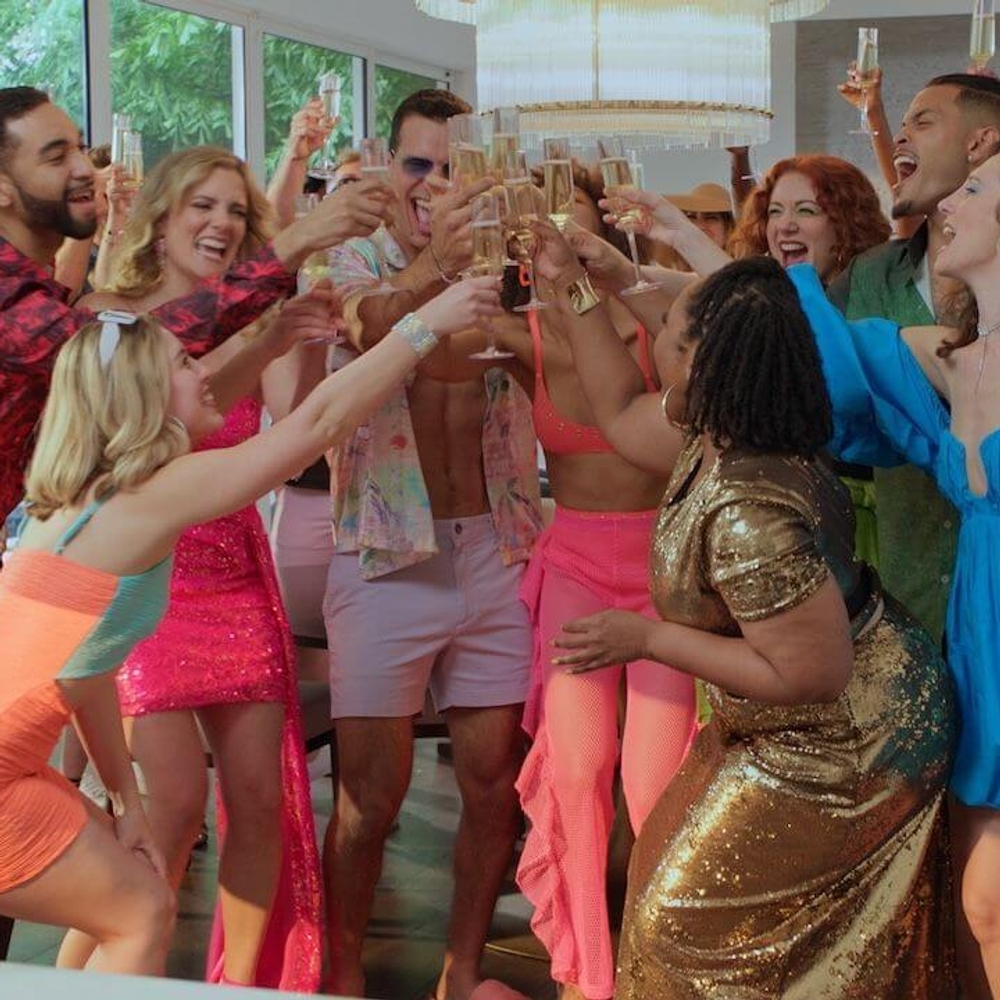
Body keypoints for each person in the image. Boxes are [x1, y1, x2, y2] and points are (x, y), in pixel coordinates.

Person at [0, 273, 500, 976]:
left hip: (14, 767)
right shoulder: (148, 496)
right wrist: (423, 328)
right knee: (139, 912)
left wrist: (125, 803)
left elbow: (87, 677)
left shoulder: (85, 500)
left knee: (128, 902)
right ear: (143, 398)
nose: (205, 374)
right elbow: (317, 426)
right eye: (185, 365)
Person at [529, 223, 958, 997]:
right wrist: (572, 287)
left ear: (695, 361)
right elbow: (620, 411)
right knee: (683, 905)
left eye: (670, 320)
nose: (653, 328)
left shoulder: (750, 510)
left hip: (851, 742)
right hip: (789, 719)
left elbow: (810, 671)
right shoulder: (722, 432)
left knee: (681, 925)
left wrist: (647, 637)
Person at [74, 146, 386, 988]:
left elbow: (292, 425)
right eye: (201, 208)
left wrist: (304, 338)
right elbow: (149, 424)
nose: (219, 224)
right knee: (169, 808)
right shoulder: (111, 313)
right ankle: (83, 980)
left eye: (236, 213)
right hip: (146, 579)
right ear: (162, 218)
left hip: (238, 573)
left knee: (258, 807)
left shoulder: (255, 311)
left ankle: (242, 986)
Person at [324, 88, 542, 1000]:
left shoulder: (511, 260)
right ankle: (337, 977)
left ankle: (462, 972)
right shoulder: (354, 254)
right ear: (388, 167)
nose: (436, 186)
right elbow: (368, 327)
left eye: (456, 169)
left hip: (498, 545)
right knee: (370, 802)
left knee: (494, 786)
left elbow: (567, 357)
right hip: (384, 552)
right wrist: (437, 275)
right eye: (419, 165)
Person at [475, 176, 697, 1000]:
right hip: (571, 564)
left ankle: (663, 966)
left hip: (660, 569)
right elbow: (405, 321)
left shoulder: (652, 322)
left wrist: (590, 270)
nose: (546, 232)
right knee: (575, 772)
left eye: (566, 214)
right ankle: (585, 975)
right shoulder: (518, 330)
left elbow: (696, 334)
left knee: (655, 784)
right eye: (531, 223)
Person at [788, 147, 1000, 999]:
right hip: (979, 644)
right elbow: (828, 359)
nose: (949, 204)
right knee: (983, 901)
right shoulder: (951, 358)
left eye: (976, 189)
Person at [0, 85, 380, 528]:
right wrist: (298, 240)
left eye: (80, 149)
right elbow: (118, 347)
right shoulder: (14, 294)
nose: (86, 168)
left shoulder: (33, 283)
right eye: (56, 157)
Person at [825, 72, 1000, 647]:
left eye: (921, 122)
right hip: (910, 608)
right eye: (896, 127)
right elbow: (821, 361)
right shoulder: (871, 275)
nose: (900, 139)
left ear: (979, 144)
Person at [654, 182, 734, 271]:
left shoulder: (741, 272)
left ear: (728, 229)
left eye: (711, 218)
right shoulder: (670, 266)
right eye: (692, 217)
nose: (699, 226)